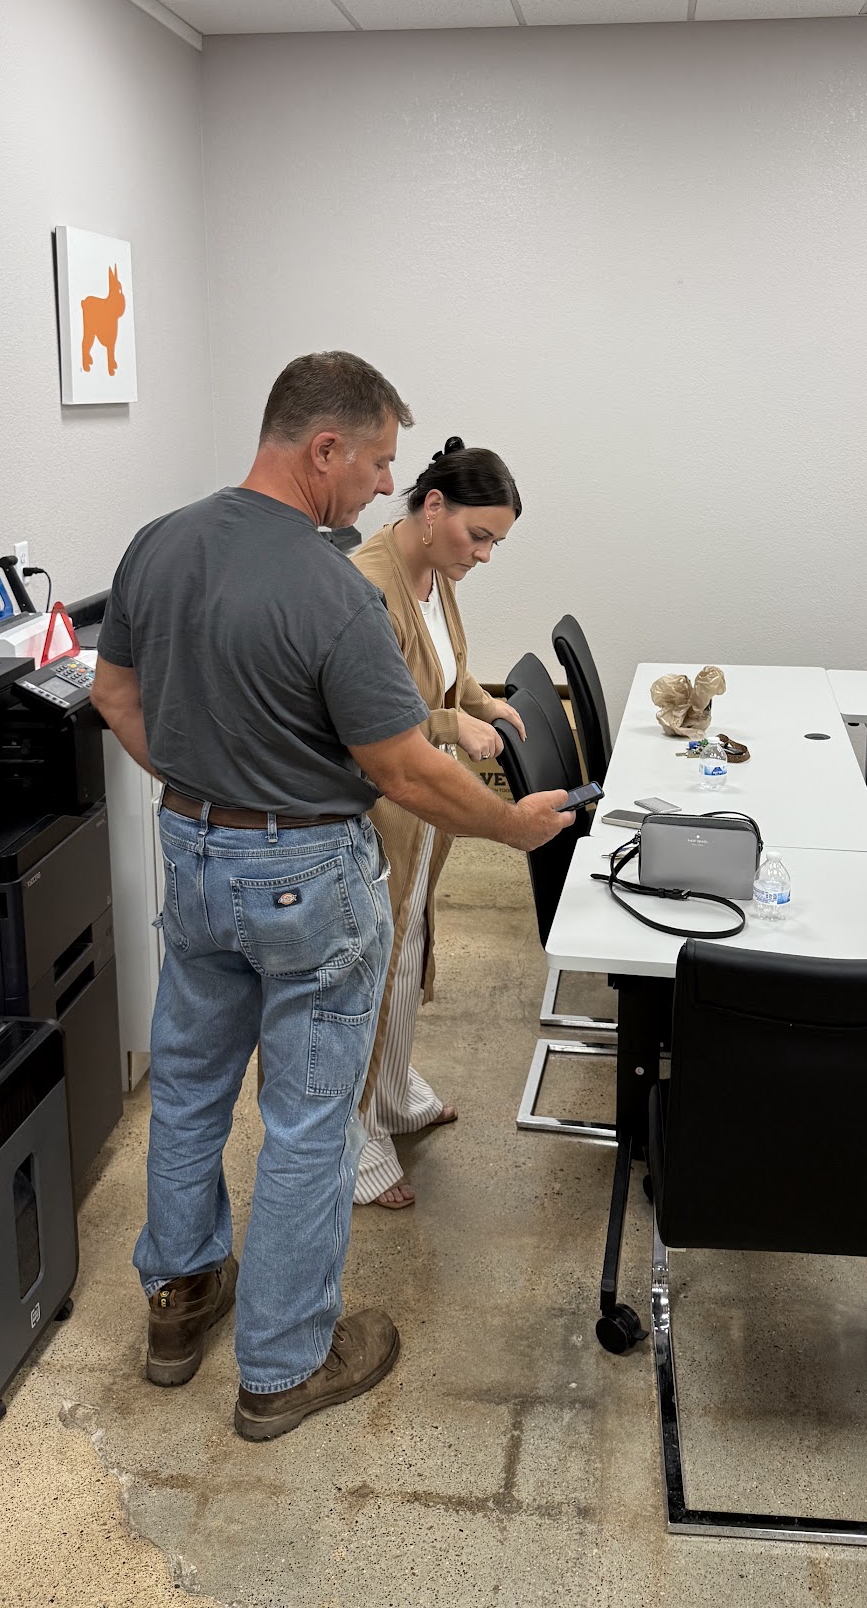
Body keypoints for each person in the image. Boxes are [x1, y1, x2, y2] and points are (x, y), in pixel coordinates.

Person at [89, 352, 570, 1444]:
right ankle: (283, 1363)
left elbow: (113, 693)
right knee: (309, 1118)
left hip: (193, 854)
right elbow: (404, 768)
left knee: (191, 1089)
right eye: (379, 462)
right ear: (324, 448)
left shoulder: (157, 543)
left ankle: (179, 1302)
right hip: (304, 874)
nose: (386, 483)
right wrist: (508, 824)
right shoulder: (335, 587)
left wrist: (205, 787)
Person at [349, 437, 525, 1210]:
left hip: (420, 810)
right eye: (477, 536)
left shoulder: (432, 574)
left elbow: (449, 673)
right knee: (370, 962)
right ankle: (354, 1136)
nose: (482, 556)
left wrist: (485, 704)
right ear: (432, 507)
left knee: (407, 942)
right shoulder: (367, 586)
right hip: (378, 804)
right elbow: (367, 719)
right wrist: (455, 726)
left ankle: (390, 1093)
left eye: (494, 543)